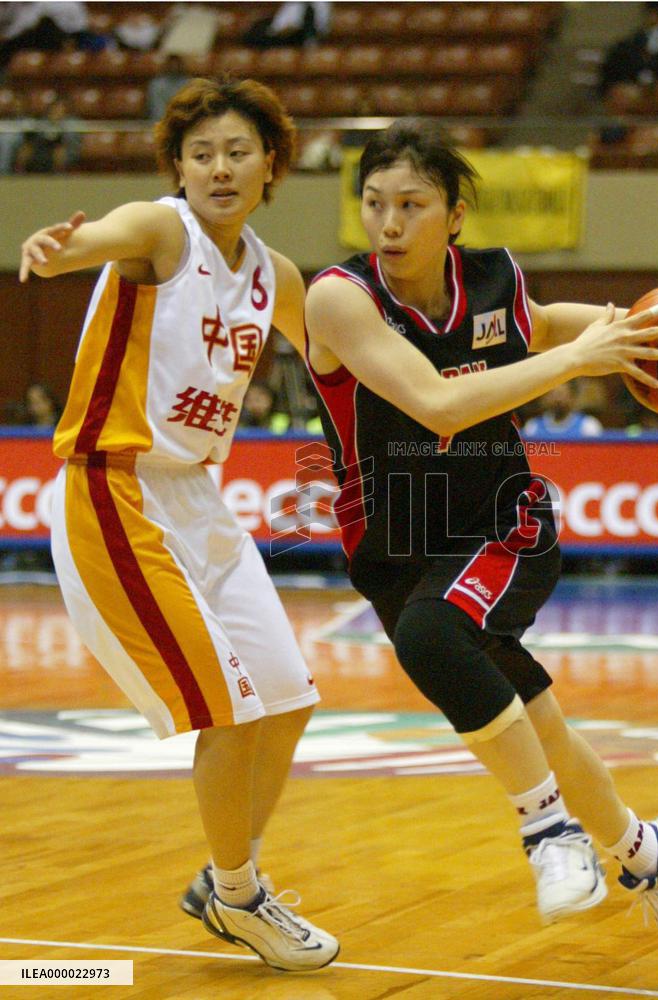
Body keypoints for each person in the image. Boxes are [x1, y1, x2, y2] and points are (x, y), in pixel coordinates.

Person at [303, 119, 658, 967]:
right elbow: (437, 405)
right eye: (374, 203)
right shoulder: (339, 297)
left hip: (504, 521)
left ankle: (548, 832)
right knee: (537, 723)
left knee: (431, 636)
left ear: (453, 215)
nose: (387, 222)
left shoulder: (492, 280)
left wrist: (621, 330)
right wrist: (579, 359)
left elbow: (534, 321)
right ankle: (649, 851)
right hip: (397, 547)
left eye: (410, 204)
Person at [18, 76, 339, 972]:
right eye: (200, 154)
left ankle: (222, 881)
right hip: (113, 489)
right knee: (228, 714)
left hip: (198, 496)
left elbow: (343, 360)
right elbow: (100, 237)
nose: (218, 167)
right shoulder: (164, 231)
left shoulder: (275, 274)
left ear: (271, 164)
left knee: (287, 697)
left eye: (237, 151)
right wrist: (57, 247)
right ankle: (241, 896)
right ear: (179, 169)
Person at [522, 381, 603, 437]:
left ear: (572, 397)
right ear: (545, 397)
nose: (557, 400)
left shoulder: (588, 425)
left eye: (561, 394)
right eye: (553, 395)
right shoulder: (533, 427)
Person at [146, 54, 189, 122]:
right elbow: (157, 110)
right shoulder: (156, 85)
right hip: (160, 123)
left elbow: (188, 108)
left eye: (176, 63)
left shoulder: (189, 84)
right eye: (171, 63)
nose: (174, 66)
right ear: (166, 65)